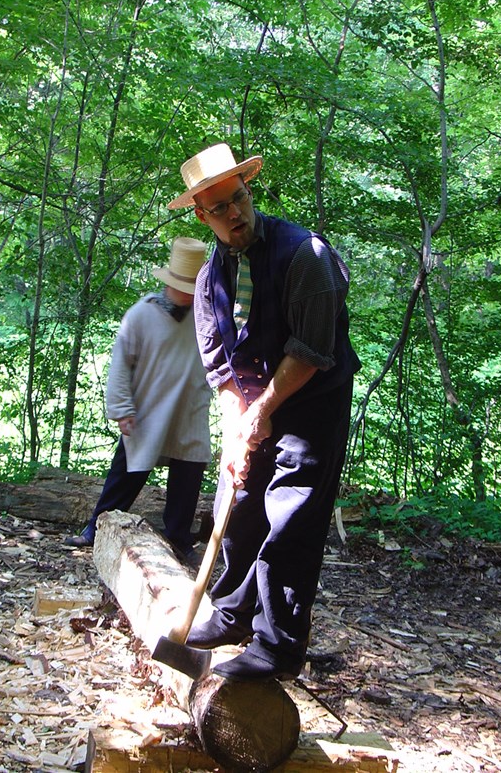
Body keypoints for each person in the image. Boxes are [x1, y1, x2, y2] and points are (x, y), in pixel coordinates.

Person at [167, 143, 361, 681]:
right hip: (255, 402)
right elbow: (217, 360)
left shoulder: (307, 257)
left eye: (240, 198)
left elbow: (311, 351)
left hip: (313, 401)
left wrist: (266, 409)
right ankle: (232, 614)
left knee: (290, 515)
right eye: (221, 208)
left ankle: (278, 648)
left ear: (249, 193)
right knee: (241, 500)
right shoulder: (209, 278)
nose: (236, 214)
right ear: (203, 216)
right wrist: (239, 421)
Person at [64, 237, 212, 563]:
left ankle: (178, 539)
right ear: (170, 284)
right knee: (126, 474)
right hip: (148, 409)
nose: (189, 295)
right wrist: (121, 409)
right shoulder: (141, 315)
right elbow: (120, 365)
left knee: (188, 476)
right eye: (184, 287)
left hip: (189, 411)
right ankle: (97, 528)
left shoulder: (206, 316)